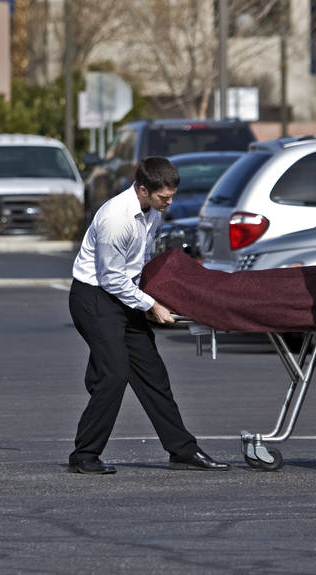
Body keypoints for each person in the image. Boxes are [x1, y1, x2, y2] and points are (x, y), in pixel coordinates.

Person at [68, 156, 230, 475]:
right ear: (143, 189)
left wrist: (159, 296)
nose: (169, 203)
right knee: (114, 375)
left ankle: (181, 449)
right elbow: (111, 277)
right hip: (94, 297)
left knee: (153, 374)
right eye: (163, 197)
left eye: (172, 196)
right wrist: (150, 305)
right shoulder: (116, 218)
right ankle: (84, 454)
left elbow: (138, 265)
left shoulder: (151, 212)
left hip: (124, 295)